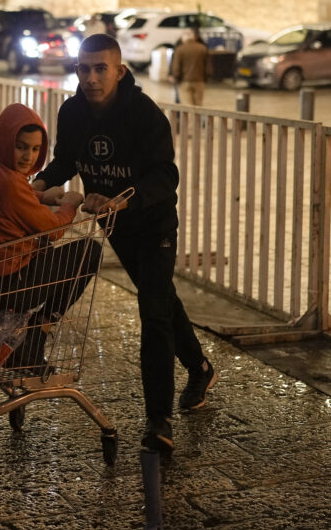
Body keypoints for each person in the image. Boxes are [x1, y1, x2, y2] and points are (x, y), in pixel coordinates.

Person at [31, 33, 215, 454]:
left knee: (153, 313)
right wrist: (36, 184)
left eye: (100, 69)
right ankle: (200, 368)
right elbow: (65, 159)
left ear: (119, 70)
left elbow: (166, 176)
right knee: (161, 298)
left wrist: (124, 199)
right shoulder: (73, 111)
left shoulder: (144, 114)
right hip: (115, 224)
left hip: (152, 224)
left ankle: (158, 419)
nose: (92, 78)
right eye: (84, 68)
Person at [0, 103, 99, 375]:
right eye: (21, 146)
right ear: (4, 141)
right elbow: (52, 228)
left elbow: (15, 200)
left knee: (50, 256)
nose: (28, 156)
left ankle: (29, 345)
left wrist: (42, 196)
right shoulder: (11, 183)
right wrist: (68, 204)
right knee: (87, 252)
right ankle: (37, 333)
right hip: (6, 284)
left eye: (35, 149)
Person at [169, 28, 212, 105]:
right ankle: (197, 118)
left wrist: (175, 77)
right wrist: (206, 78)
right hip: (200, 81)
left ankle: (189, 118)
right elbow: (208, 66)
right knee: (198, 105)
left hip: (184, 82)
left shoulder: (180, 49)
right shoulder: (202, 48)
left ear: (183, 38)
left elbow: (176, 68)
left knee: (187, 106)